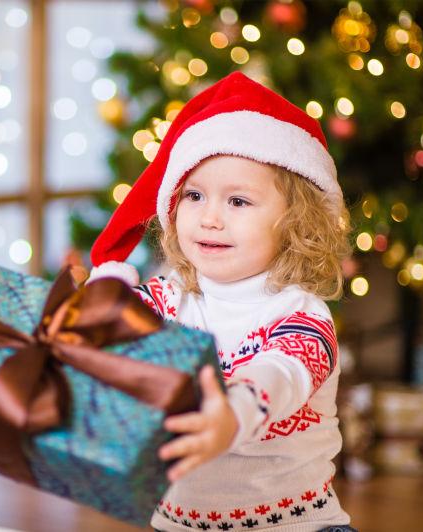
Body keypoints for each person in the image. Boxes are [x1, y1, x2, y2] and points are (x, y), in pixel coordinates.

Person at [88, 71, 355, 531]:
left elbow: (282, 373)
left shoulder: (302, 316)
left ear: (296, 222)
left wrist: (234, 414)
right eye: (194, 195)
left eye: (237, 201)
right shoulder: (168, 299)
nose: (210, 218)